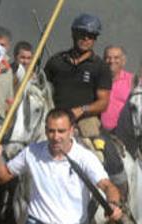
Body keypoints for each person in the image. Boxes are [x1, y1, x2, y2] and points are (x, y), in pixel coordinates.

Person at [44, 14, 125, 199]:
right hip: (54, 121)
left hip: (86, 121)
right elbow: (41, 88)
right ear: (74, 34)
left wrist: (81, 110)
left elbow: (103, 102)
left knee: (112, 158)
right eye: (82, 33)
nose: (86, 38)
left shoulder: (100, 67)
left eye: (91, 35)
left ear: (95, 38)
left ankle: (120, 204)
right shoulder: (55, 62)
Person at [101, 45, 134, 132]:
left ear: (123, 61)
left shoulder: (133, 81)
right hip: (100, 133)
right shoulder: (96, 80)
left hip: (125, 134)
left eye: (116, 58)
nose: (112, 61)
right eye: (108, 58)